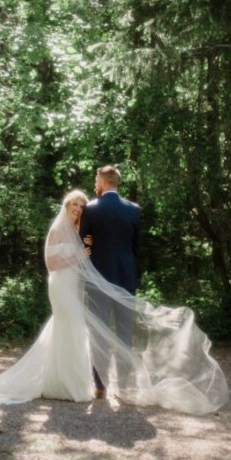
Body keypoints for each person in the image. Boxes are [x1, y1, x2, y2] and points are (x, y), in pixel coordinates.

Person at [0, 173, 228, 415]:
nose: (80, 207)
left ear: (102, 182)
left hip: (88, 284)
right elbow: (128, 250)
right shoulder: (128, 212)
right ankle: (101, 386)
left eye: (82, 202)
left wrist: (85, 256)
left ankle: (94, 386)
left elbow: (87, 246)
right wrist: (83, 256)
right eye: (74, 205)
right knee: (108, 333)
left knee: (85, 334)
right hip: (100, 281)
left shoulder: (92, 212)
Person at [79, 165, 138, 398]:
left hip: (99, 279)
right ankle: (123, 387)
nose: (95, 184)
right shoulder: (134, 210)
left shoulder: (91, 209)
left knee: (99, 332)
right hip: (125, 279)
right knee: (125, 333)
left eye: (96, 179)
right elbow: (136, 248)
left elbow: (82, 244)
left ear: (103, 182)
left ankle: (100, 386)